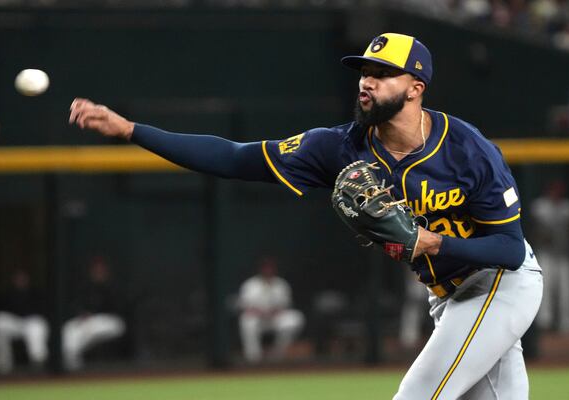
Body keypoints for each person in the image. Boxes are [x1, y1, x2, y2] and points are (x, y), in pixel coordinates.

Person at [69, 32, 543, 399]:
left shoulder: (467, 148)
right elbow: (235, 158)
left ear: (415, 88)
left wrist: (431, 243)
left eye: (382, 72)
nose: (366, 80)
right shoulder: (337, 148)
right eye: (363, 70)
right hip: (446, 297)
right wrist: (130, 129)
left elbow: (508, 249)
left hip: (500, 283)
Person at [62, 256, 126, 371]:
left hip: (113, 322)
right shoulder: (86, 287)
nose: (98, 272)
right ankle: (70, 359)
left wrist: (93, 314)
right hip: (90, 321)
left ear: (106, 271)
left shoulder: (113, 287)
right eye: (96, 270)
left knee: (88, 328)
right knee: (69, 327)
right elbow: (77, 305)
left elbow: (118, 308)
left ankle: (72, 361)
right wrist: (82, 313)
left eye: (101, 270)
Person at [237, 257, 304, 363]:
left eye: (270, 268)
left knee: (295, 319)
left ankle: (278, 354)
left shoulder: (281, 284)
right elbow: (244, 306)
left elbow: (285, 305)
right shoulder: (250, 285)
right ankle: (253, 358)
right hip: (257, 319)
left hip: (275, 319)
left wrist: (274, 312)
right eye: (265, 268)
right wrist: (259, 312)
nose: (268, 271)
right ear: (261, 270)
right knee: (246, 321)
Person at [531, 179, 569, 334]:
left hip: (563, 254)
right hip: (545, 253)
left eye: (559, 189)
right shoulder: (540, 206)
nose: (557, 192)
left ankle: (566, 323)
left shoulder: (568, 207)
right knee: (545, 289)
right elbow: (536, 229)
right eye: (554, 189)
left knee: (566, 291)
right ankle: (545, 323)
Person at [0, 269, 49, 374]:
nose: (20, 280)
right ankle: (4, 363)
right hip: (14, 323)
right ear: (13, 280)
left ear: (28, 279)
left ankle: (38, 362)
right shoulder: (8, 293)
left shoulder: (35, 293)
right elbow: (0, 310)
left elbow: (42, 311)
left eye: (23, 278)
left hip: (31, 322)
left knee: (37, 326)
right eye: (18, 278)